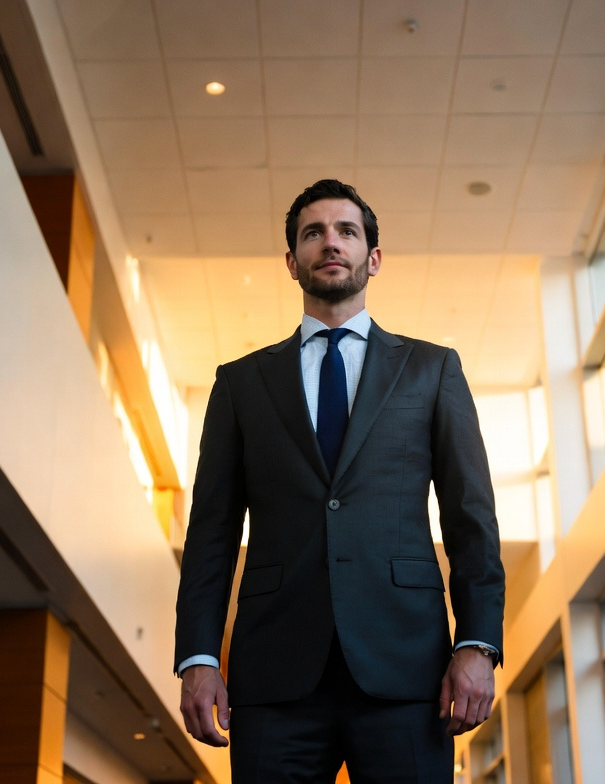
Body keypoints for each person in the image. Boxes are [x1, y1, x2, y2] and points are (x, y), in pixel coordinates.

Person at [174, 179, 505, 782]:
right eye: (313, 233)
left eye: (347, 231)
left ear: (372, 258)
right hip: (274, 677)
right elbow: (211, 533)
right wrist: (198, 655)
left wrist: (477, 645)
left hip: (407, 672)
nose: (331, 243)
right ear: (291, 261)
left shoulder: (431, 370)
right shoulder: (241, 384)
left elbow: (470, 519)